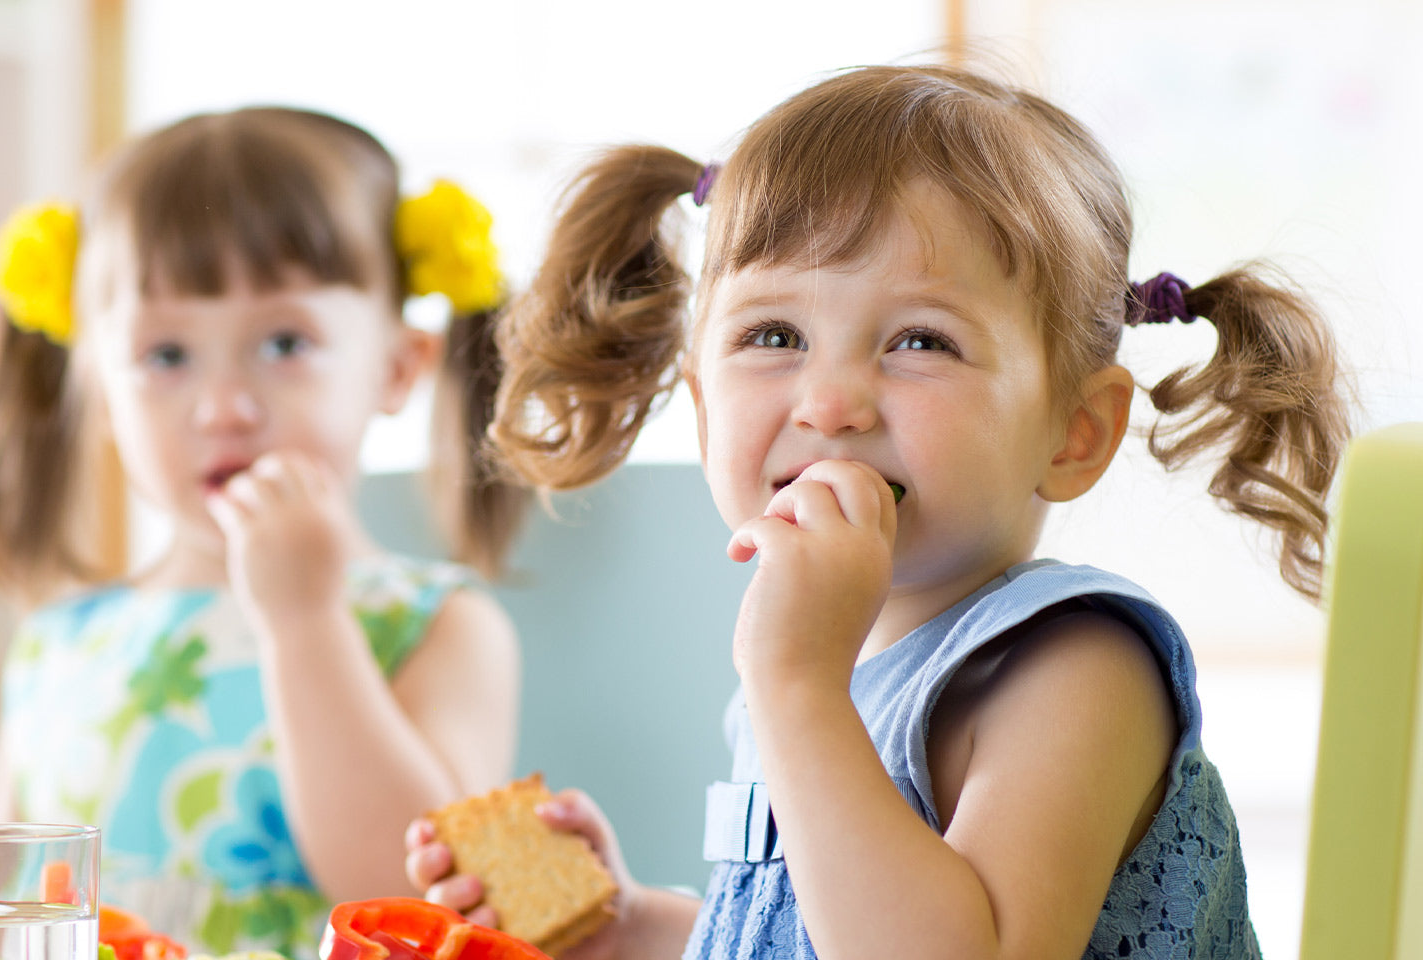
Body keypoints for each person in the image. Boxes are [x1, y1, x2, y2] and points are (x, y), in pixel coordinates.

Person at [406, 64, 1348, 960]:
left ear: (1073, 433)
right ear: (701, 410)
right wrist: (636, 926)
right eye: (774, 335)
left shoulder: (1076, 669)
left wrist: (797, 685)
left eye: (919, 341)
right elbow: (818, 930)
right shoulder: (813, 670)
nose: (830, 402)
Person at [0, 106, 527, 958]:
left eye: (285, 342)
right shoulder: (65, 643)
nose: (224, 408)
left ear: (398, 367)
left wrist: (304, 620)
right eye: (166, 357)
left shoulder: (437, 626)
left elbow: (415, 909)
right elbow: (6, 915)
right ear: (99, 388)